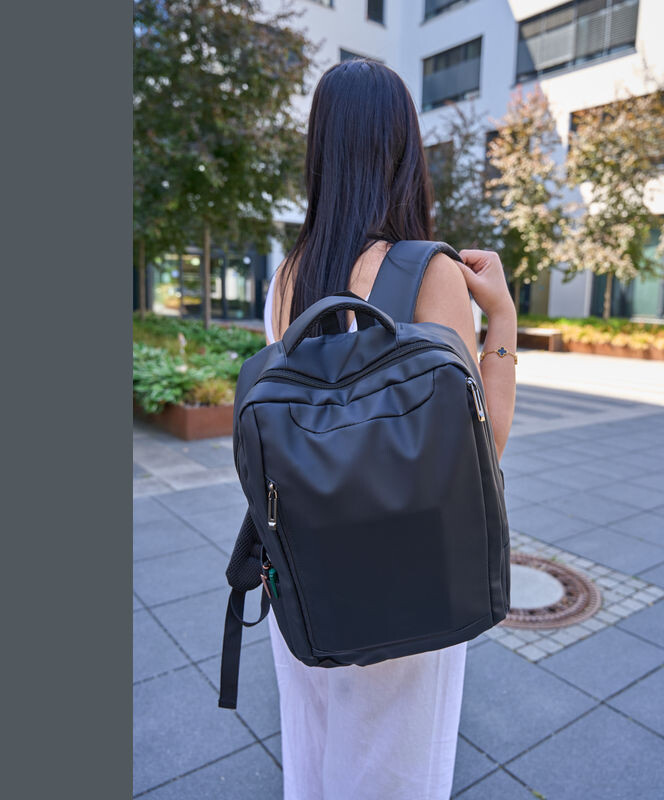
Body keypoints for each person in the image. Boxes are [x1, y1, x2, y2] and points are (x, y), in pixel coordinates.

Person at [262, 59, 517, 800]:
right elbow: (481, 448)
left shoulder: (289, 275)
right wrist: (501, 317)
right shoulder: (427, 272)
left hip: (306, 574)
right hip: (408, 575)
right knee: (394, 773)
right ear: (404, 148)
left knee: (314, 756)